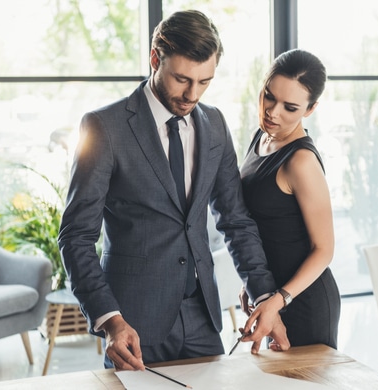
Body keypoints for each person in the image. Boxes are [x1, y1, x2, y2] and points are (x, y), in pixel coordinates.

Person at [57, 10, 289, 372]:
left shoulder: (214, 124)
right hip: (132, 324)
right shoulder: (104, 127)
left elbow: (235, 219)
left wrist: (264, 295)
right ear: (155, 59)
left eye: (204, 82)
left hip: (203, 317)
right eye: (182, 79)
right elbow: (76, 237)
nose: (191, 94)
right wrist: (110, 319)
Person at [239, 49, 341, 351]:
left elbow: (324, 250)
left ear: (310, 110)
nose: (273, 112)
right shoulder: (262, 137)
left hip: (304, 302)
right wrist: (255, 286)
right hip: (270, 298)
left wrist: (279, 298)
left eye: (290, 107)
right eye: (269, 96)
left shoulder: (301, 161)